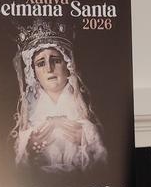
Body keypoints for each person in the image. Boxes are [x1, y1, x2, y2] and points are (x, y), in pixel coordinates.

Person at [11, 20, 106, 173]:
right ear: (32, 72)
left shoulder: (88, 105)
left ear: (68, 65)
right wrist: (29, 147)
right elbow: (14, 169)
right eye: (41, 63)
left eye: (55, 60)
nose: (49, 68)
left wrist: (87, 138)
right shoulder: (28, 111)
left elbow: (106, 163)